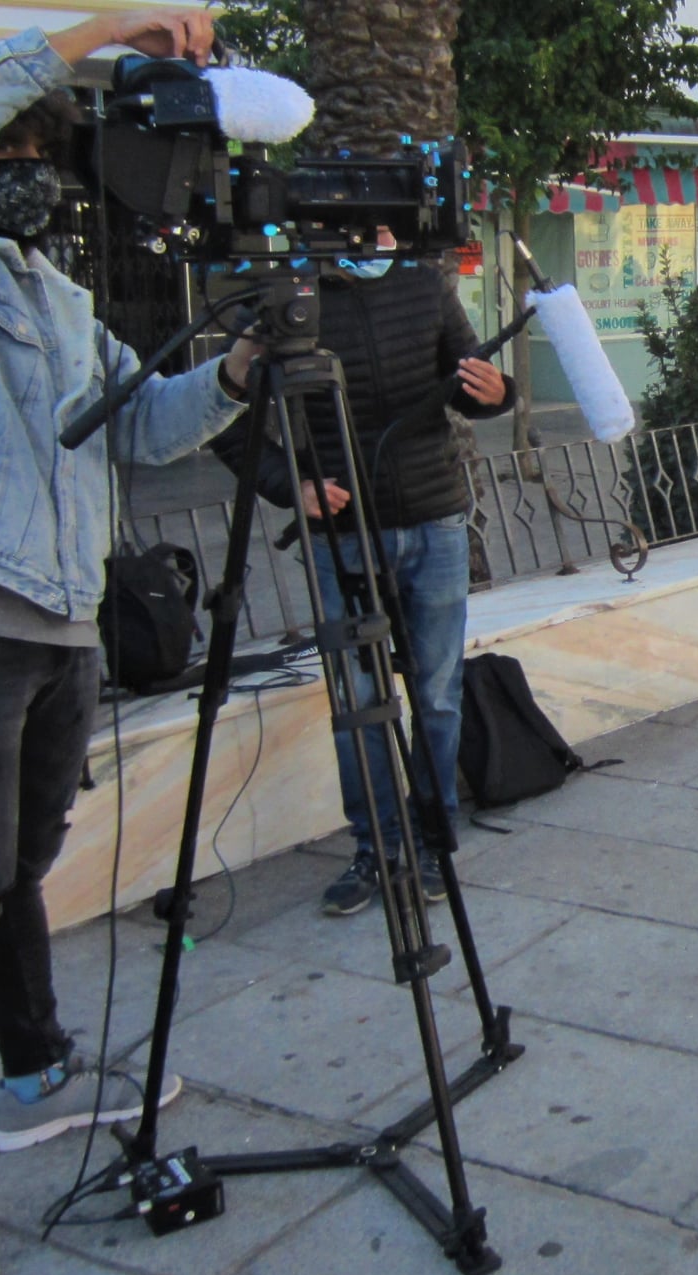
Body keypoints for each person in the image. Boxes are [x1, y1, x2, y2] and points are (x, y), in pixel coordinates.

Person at [0, 11, 261, 1275]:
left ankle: (30, 1074)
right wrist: (101, 34)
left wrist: (242, 369)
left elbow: (147, 428)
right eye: (8, 150)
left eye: (40, 152)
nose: (22, 166)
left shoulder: (61, 298)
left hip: (57, 624)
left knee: (19, 865)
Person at [211, 230, 512, 917]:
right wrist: (294, 486)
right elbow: (224, 419)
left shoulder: (423, 283)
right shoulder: (286, 296)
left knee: (437, 696)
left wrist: (497, 392)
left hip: (434, 522)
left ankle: (434, 841)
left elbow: (469, 388)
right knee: (358, 704)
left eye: (387, 221)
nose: (379, 235)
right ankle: (375, 849)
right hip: (339, 537)